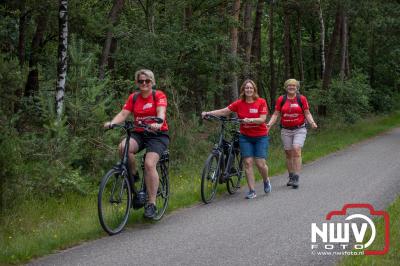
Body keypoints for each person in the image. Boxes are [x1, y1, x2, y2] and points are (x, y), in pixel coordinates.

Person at [104, 69, 169, 218]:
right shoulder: (133, 97)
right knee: (122, 148)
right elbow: (123, 113)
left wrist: (158, 123)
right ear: (137, 83)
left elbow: (161, 112)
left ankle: (151, 204)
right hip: (139, 132)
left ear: (152, 82)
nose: (144, 83)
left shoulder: (158, 95)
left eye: (147, 81)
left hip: (157, 134)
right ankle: (133, 175)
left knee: (149, 164)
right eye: (141, 81)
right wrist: (112, 123)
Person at [202, 79, 271, 199]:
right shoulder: (239, 103)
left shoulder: (261, 102)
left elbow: (262, 119)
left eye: (251, 88)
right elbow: (224, 111)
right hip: (245, 137)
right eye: (246, 88)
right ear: (243, 90)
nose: (249, 90)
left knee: (260, 164)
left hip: (260, 136)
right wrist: (208, 113)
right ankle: (252, 191)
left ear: (254, 90)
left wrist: (250, 120)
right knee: (248, 163)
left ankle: (266, 180)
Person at [266, 79, 317, 189]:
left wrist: (312, 122)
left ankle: (296, 178)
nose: (291, 87)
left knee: (296, 149)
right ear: (285, 87)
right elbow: (276, 114)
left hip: (299, 129)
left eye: (294, 85)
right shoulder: (281, 99)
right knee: (288, 153)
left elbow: (307, 112)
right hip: (286, 130)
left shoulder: (301, 98)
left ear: (297, 87)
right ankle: (291, 176)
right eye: (289, 85)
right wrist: (269, 125)